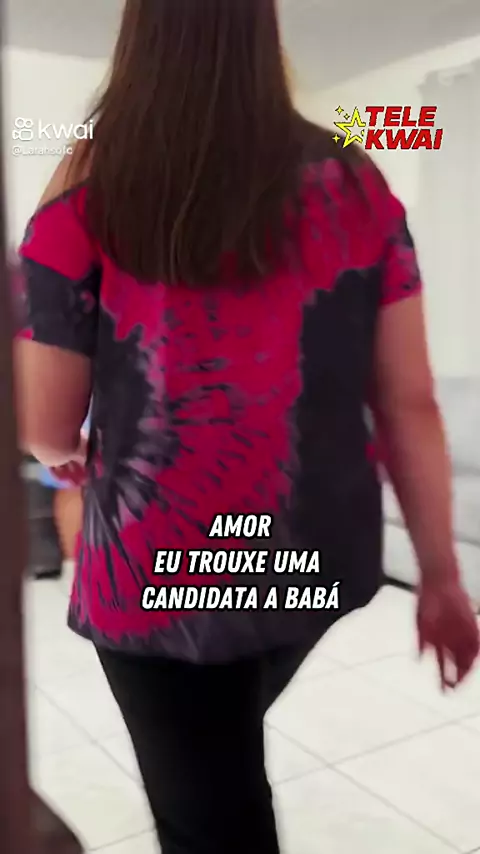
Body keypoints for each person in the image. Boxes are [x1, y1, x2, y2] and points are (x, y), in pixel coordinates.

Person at [12, 1, 479, 852]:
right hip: (310, 553)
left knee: (211, 816)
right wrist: (442, 579)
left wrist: (65, 453)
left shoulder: (89, 190)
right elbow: (408, 399)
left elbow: (44, 422)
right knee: (219, 741)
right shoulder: (357, 183)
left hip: (162, 573)